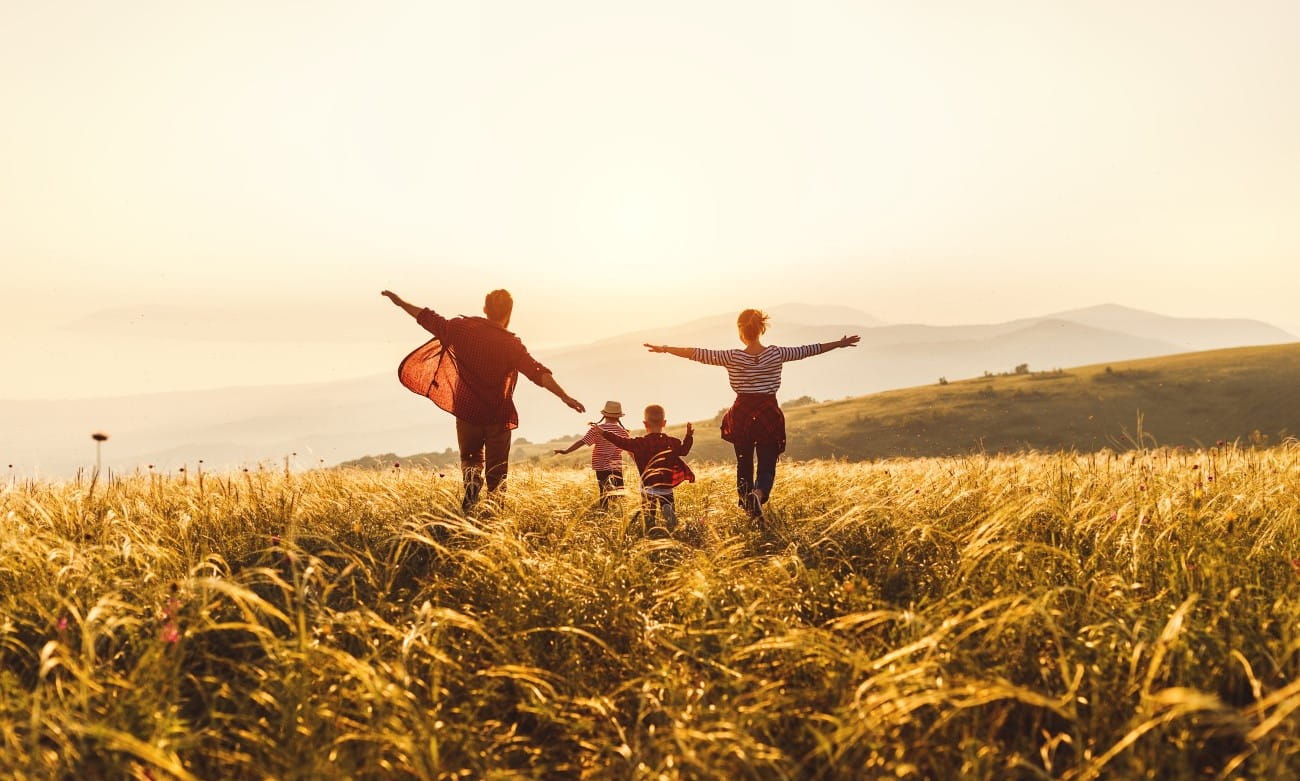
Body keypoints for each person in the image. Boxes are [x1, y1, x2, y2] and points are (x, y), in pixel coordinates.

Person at [382, 288, 585, 512]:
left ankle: (469, 502)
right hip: (498, 416)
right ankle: (494, 518)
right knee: (497, 473)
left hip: (467, 412)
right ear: (509, 313)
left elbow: (427, 317)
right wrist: (564, 396)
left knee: (470, 462)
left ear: (485, 309)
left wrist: (400, 302)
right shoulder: (510, 344)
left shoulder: (461, 330)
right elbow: (537, 372)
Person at [644, 309, 859, 518]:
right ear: (761, 329)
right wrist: (839, 344)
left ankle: (748, 502)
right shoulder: (777, 353)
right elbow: (809, 349)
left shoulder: (731, 357)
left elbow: (696, 353)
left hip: (742, 415)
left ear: (741, 331)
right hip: (768, 414)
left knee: (744, 463)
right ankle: (758, 494)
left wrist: (665, 348)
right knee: (767, 464)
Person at [594, 405, 694, 537]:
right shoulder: (672, 442)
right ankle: (670, 522)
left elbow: (621, 442)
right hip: (666, 487)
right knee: (668, 506)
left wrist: (604, 433)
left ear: (645, 423)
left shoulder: (639, 443)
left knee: (648, 516)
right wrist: (688, 436)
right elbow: (684, 451)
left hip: (648, 488)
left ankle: (651, 533)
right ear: (664, 423)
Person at [552, 400, 629, 510]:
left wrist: (566, 451)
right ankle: (618, 516)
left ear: (604, 414)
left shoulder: (597, 430)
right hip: (616, 466)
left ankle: (603, 513)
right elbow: (630, 448)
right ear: (619, 416)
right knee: (619, 492)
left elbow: (582, 441)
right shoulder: (623, 432)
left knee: (604, 492)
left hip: (600, 466)